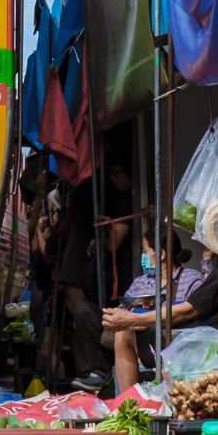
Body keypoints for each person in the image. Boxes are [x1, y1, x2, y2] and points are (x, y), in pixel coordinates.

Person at [100, 230, 218, 393]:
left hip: (180, 342)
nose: (143, 256)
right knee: (122, 333)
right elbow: (122, 313)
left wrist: (139, 319)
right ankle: (128, 400)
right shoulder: (140, 283)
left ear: (162, 254)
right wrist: (116, 318)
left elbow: (189, 312)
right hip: (146, 339)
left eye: (145, 251)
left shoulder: (191, 279)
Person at [63, 161, 134, 392]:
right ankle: (100, 372)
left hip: (130, 312)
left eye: (117, 173)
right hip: (107, 306)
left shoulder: (125, 202)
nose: (114, 179)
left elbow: (115, 241)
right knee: (83, 313)